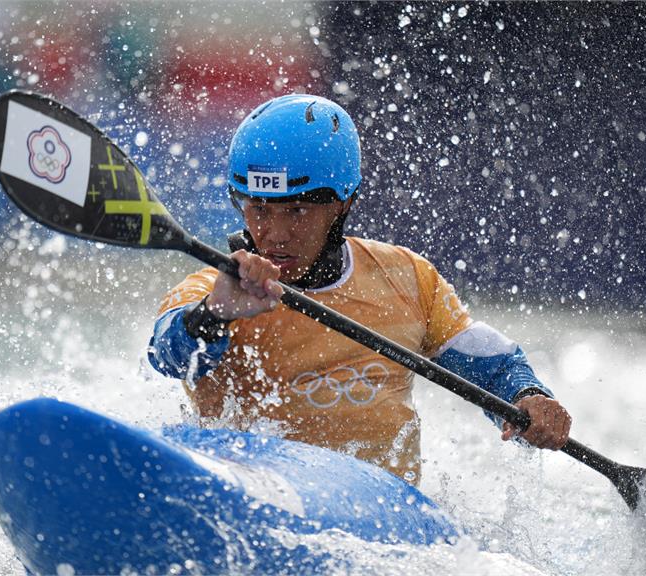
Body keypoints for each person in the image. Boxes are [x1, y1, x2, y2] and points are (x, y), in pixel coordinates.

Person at [148, 94, 571, 485]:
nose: (274, 234)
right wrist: (214, 315)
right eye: (258, 208)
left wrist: (528, 395)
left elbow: (493, 367)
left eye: (297, 210)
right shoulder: (211, 290)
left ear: (344, 202)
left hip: (384, 512)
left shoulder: (406, 277)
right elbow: (165, 355)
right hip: (254, 490)